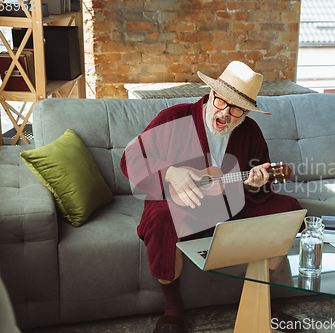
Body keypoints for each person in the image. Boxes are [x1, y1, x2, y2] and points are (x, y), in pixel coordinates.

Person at [121, 61, 303, 333]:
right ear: (211, 93)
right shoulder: (175, 117)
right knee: (160, 219)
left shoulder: (250, 131)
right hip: (182, 205)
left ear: (246, 111)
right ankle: (173, 309)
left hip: (231, 207)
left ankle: (259, 297)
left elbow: (260, 180)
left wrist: (254, 184)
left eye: (236, 109)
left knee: (288, 210)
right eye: (221, 102)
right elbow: (131, 158)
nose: (225, 114)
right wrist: (170, 172)